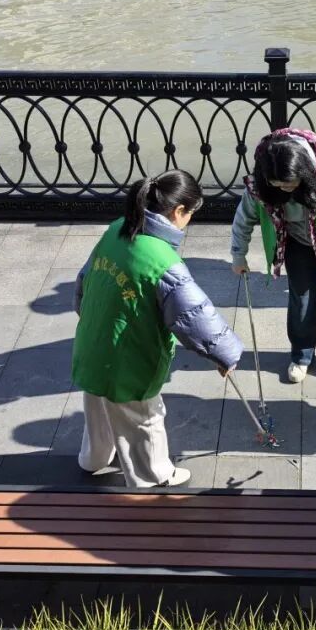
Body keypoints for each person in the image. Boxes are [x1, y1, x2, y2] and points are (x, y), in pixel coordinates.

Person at [72, 170, 243, 487]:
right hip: (128, 359)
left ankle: (93, 458)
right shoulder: (163, 261)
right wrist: (226, 354)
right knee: (144, 417)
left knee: (98, 404)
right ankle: (153, 476)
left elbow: (83, 282)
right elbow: (194, 315)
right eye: (191, 214)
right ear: (178, 211)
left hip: (92, 342)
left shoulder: (117, 229)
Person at [230, 128, 316, 392]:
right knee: (300, 301)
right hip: (294, 240)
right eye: (278, 185)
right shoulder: (263, 179)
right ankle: (302, 354)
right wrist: (238, 254)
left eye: (289, 183)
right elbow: (244, 216)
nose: (284, 189)